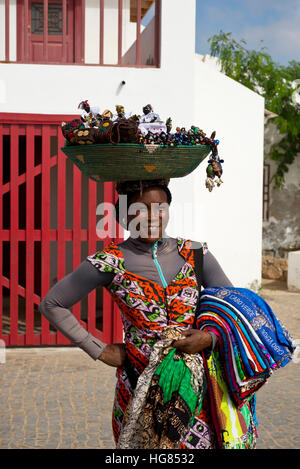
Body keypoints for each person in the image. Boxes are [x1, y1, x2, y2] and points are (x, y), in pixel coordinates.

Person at [39, 178, 234, 449]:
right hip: (137, 389)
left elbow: (233, 310)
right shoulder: (109, 261)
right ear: (124, 215)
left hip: (198, 395)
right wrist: (99, 349)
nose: (153, 216)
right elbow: (52, 304)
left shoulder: (197, 254)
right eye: (141, 209)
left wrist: (209, 338)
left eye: (161, 207)